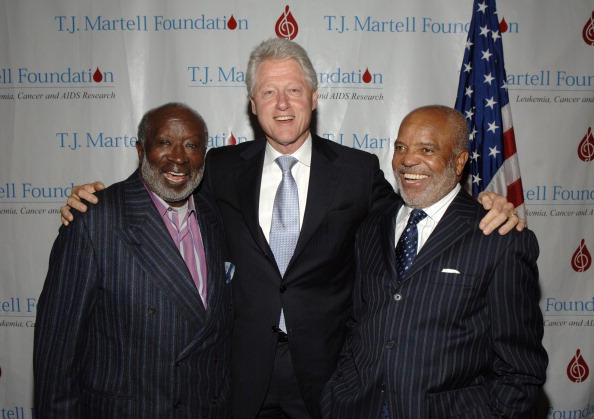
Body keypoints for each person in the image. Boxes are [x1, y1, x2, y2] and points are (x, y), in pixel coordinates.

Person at [60, 40, 521, 418]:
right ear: (252, 103)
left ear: (314, 98)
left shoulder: (357, 171)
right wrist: (100, 200)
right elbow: (163, 186)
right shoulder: (218, 167)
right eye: (268, 92)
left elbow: (418, 213)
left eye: (294, 91)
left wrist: (480, 202)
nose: (282, 105)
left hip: (328, 382)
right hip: (235, 378)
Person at [321, 105, 547, 418]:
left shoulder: (499, 238)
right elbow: (358, 323)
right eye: (401, 147)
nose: (407, 160)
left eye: (426, 149)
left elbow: (520, 368)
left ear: (459, 161)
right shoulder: (373, 227)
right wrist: (337, 396)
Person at [34, 103, 233, 418]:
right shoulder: (96, 219)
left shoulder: (216, 214)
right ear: (142, 149)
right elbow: (57, 357)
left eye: (192, 145)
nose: (179, 157)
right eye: (164, 142)